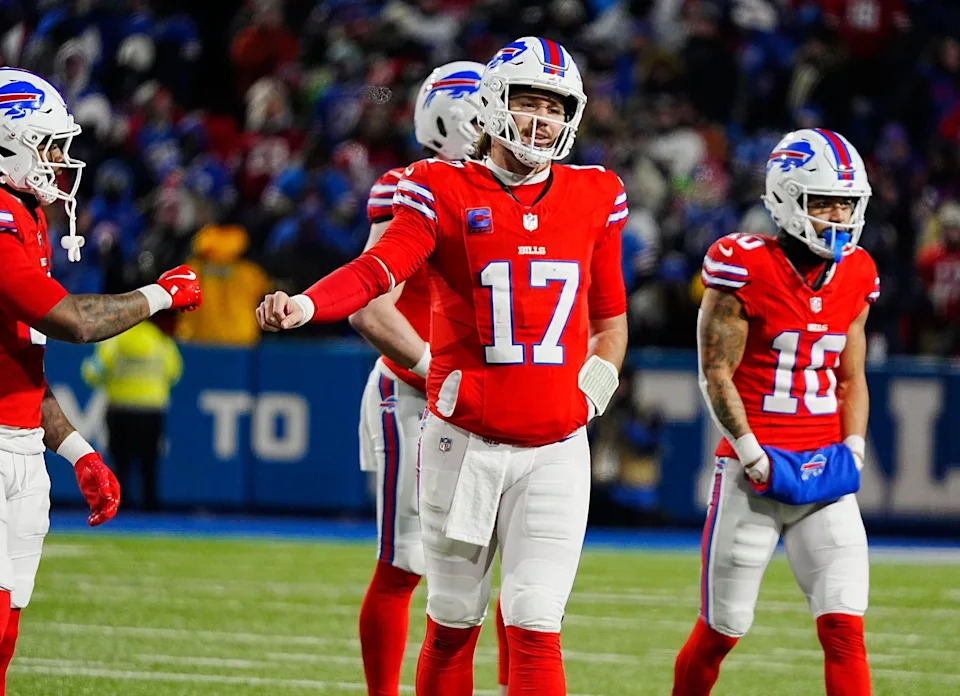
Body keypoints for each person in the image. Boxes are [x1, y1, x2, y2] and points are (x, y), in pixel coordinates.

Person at [258, 37, 629, 696]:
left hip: (556, 450)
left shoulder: (596, 192)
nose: (541, 120)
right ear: (493, 105)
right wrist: (308, 303)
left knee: (537, 624)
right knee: (454, 623)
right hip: (464, 443)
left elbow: (610, 321)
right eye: (527, 102)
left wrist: (590, 400)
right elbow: (379, 271)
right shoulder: (439, 187)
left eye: (555, 105)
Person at [0, 67, 201, 690]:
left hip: (18, 445)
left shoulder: (28, 220)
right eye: (49, 145)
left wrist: (79, 451)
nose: (61, 161)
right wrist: (160, 295)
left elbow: (22, 366)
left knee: (6, 624)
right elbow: (70, 321)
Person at [672, 128, 878, 696]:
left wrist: (854, 445)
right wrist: (749, 450)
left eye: (847, 202)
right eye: (823, 201)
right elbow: (716, 370)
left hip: (824, 473)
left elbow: (851, 376)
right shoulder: (744, 265)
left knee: (844, 628)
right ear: (787, 199)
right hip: (752, 472)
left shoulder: (858, 272)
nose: (837, 216)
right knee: (722, 630)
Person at [347, 60, 512, 696]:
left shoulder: (510, 189)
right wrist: (436, 373)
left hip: (491, 402)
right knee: (405, 562)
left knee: (504, 566)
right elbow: (374, 305)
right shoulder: (410, 186)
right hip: (414, 392)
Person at [81, 318, 183, 511]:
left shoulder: (116, 340)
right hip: (151, 409)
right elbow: (174, 372)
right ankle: (151, 504)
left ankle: (120, 504)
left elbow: (92, 371)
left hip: (121, 408)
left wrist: (106, 382)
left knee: (121, 461)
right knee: (149, 461)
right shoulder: (160, 340)